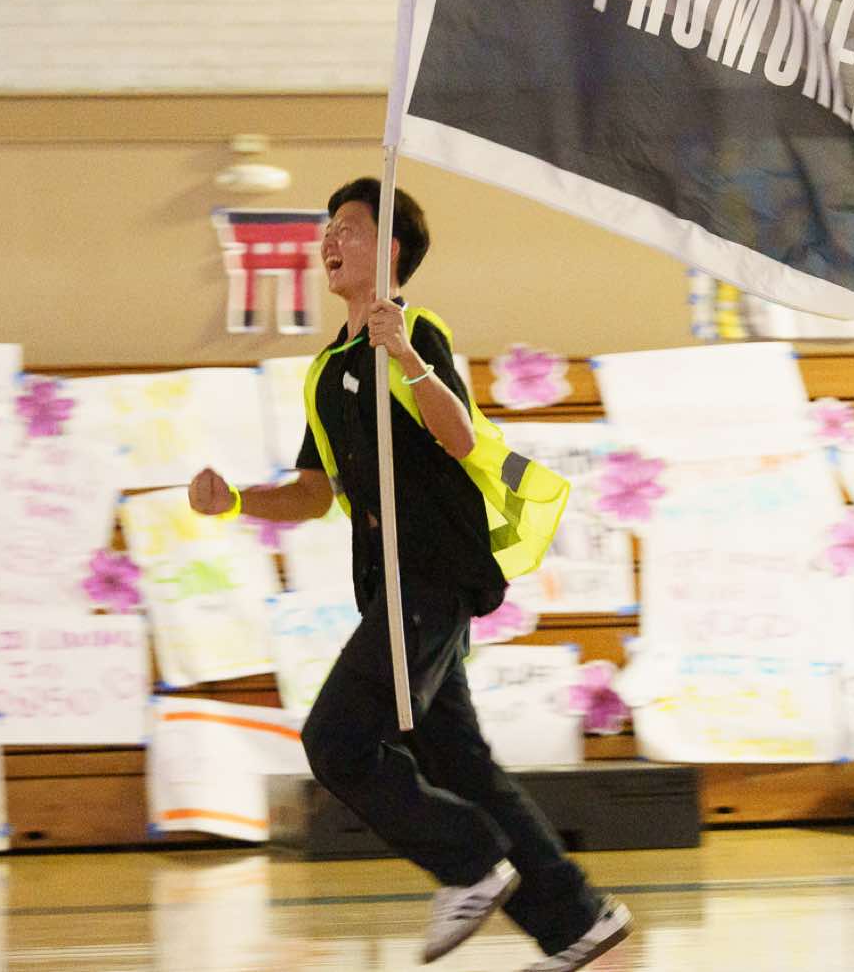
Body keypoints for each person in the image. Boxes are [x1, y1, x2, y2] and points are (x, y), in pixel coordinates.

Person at [188, 178, 633, 971]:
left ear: (390, 247)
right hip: (389, 588)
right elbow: (314, 491)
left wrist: (405, 356)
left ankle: (469, 861)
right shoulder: (326, 370)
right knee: (461, 765)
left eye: (349, 228)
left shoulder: (415, 332)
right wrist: (236, 501)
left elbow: (461, 438)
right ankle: (577, 919)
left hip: (431, 576)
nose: (329, 241)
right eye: (326, 229)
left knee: (335, 740)